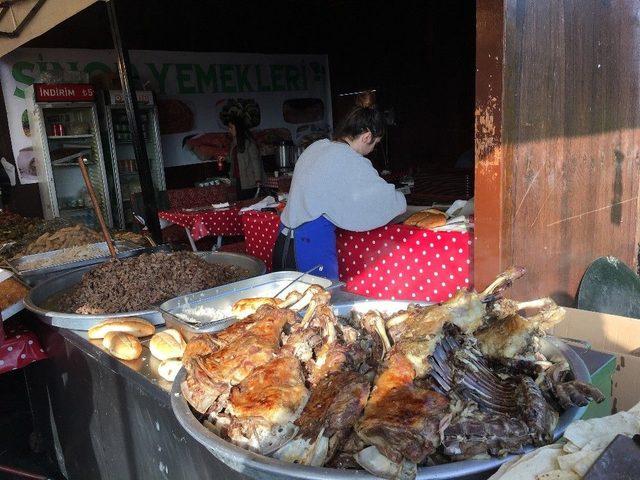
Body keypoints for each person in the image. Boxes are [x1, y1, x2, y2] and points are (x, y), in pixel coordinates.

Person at [273, 106, 407, 280]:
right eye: (375, 143)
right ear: (367, 136)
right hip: (310, 245)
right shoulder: (350, 160)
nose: (373, 149)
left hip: (283, 241)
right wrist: (402, 199)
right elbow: (384, 200)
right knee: (320, 301)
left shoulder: (317, 147)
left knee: (284, 303)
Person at [226, 116, 264, 200]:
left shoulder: (249, 143)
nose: (229, 130)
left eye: (231, 127)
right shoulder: (233, 144)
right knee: (241, 204)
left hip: (249, 181)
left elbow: (255, 162)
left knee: (249, 204)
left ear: (238, 128)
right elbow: (232, 161)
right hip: (238, 180)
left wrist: (258, 180)